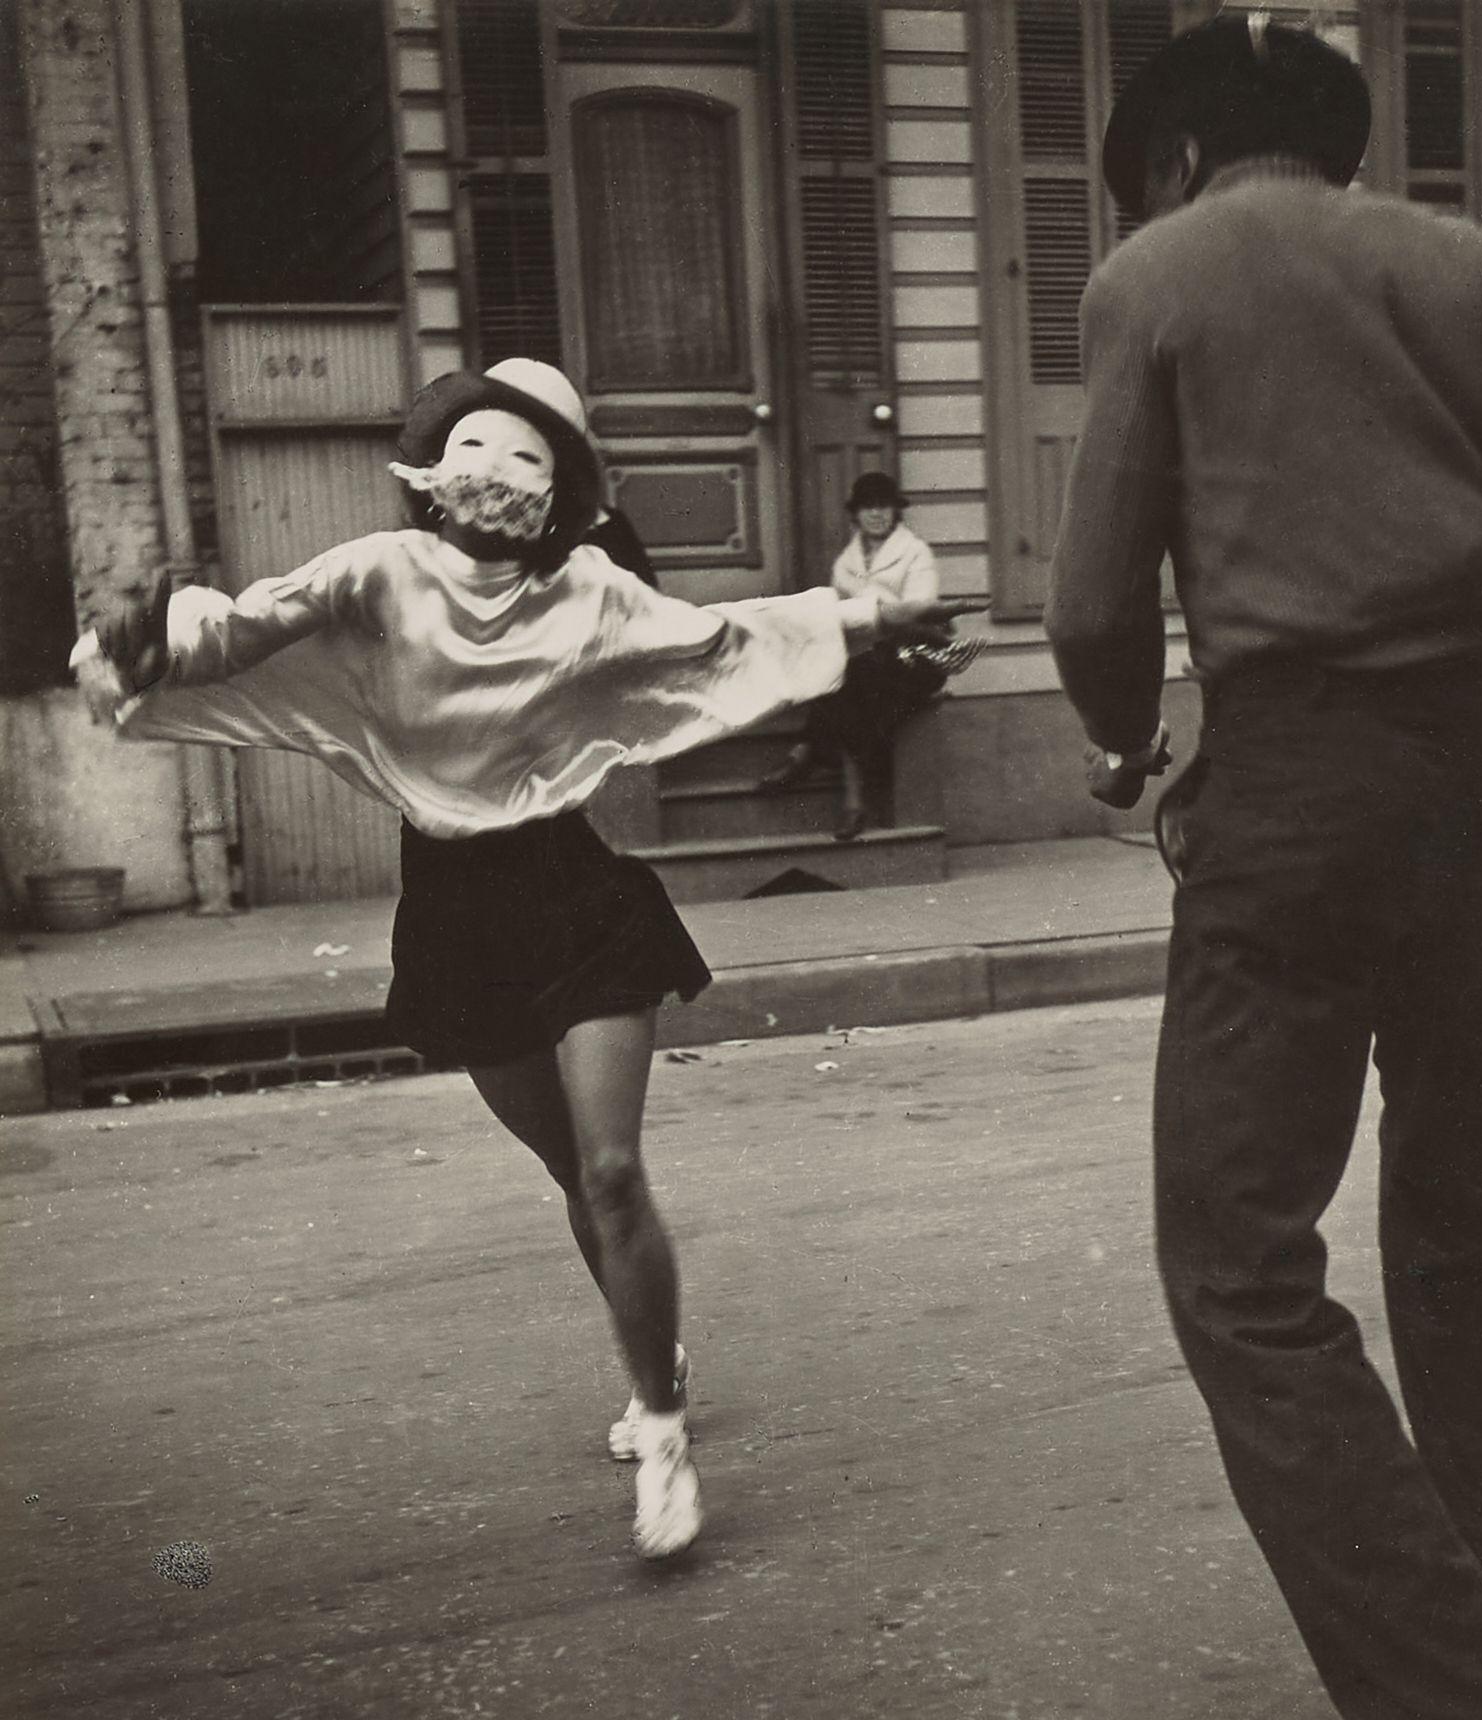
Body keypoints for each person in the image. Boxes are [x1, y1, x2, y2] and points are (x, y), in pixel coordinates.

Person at [1045, 13, 1482, 1720]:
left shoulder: (1155, 276)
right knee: (1458, 1154)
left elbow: (1096, 597)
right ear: (1329, 145)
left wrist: (1126, 747)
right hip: (1475, 775)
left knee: (1239, 1265)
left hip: (1294, 787)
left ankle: (1460, 1712)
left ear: (1175, 157)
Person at [77, 358, 968, 1563]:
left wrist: (864, 618)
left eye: (532, 458)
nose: (499, 472)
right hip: (453, 913)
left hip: (573, 891)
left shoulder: (590, 590)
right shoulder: (376, 572)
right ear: (436, 471)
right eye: (482, 447)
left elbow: (714, 639)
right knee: (567, 1173)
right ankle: (657, 1342)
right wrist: (153, 640)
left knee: (611, 1172)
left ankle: (661, 1432)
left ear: (562, 494)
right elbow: (248, 625)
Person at [760, 472, 965, 840]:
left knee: (849, 680)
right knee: (849, 683)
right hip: (869, 656)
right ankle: (853, 803)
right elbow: (839, 615)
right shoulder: (846, 560)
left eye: (884, 507)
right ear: (855, 515)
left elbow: (919, 613)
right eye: (868, 508)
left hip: (916, 654)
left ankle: (806, 751)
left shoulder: (914, 552)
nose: (877, 515)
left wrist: (871, 612)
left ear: (895, 513)